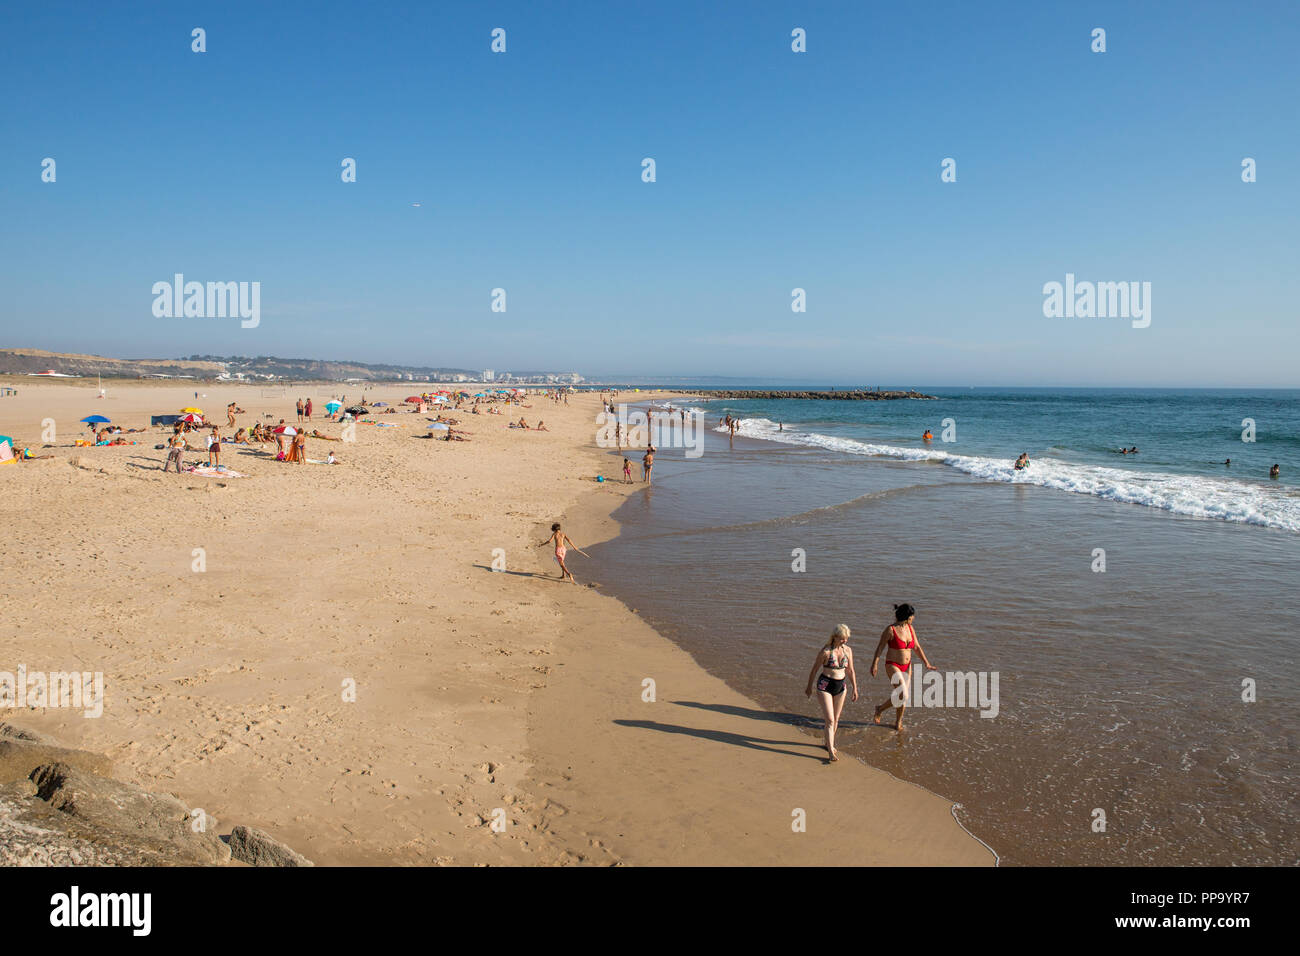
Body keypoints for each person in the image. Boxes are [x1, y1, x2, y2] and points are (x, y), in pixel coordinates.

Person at [870, 604, 934, 731]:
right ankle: (880, 709)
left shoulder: (910, 628)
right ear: (907, 617)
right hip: (893, 665)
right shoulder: (890, 630)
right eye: (912, 616)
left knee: (903, 697)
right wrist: (874, 664)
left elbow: (916, 647)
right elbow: (880, 647)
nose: (914, 618)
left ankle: (897, 723)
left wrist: (926, 663)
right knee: (903, 694)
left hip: (907, 666)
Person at [804, 624, 857, 762]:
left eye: (846, 638)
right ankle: (831, 752)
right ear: (835, 637)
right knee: (830, 720)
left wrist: (855, 688)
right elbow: (815, 669)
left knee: (836, 718)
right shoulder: (826, 651)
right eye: (842, 638)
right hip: (825, 685)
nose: (845, 641)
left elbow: (850, 670)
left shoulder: (848, 651)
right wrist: (809, 687)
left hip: (841, 686)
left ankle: (828, 743)